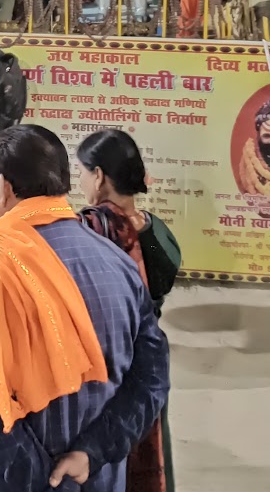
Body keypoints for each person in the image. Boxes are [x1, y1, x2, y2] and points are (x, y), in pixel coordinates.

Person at [0, 125, 168, 492]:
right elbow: (152, 376)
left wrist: (43, 479)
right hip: (96, 476)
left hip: (14, 481)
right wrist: (93, 451)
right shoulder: (120, 265)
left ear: (4, 188)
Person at [76, 130, 183, 492]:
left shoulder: (92, 228)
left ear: (100, 176)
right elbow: (165, 278)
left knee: (103, 455)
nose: (81, 181)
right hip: (147, 358)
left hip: (104, 362)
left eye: (82, 172)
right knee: (146, 450)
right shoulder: (152, 228)